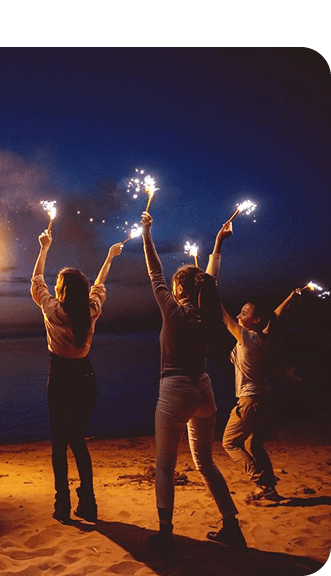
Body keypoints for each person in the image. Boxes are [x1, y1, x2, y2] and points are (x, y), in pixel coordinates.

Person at [140, 211, 244, 550]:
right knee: (205, 462)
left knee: (165, 467)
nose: (168, 286)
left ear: (179, 288)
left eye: (174, 284)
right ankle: (231, 523)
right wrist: (217, 243)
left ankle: (166, 533)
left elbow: (154, 270)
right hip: (203, 389)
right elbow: (209, 281)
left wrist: (146, 232)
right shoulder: (208, 312)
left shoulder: (173, 310)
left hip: (175, 391)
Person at [30, 226, 122, 523]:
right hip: (85, 377)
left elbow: (36, 281)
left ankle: (62, 504)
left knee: (59, 443)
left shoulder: (53, 310)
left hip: (60, 377)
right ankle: (89, 502)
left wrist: (44, 248)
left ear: (62, 290)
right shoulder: (91, 310)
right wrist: (109, 258)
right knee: (78, 440)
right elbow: (98, 286)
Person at [220, 286, 301, 501]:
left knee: (230, 442)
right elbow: (274, 316)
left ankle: (262, 482)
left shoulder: (246, 337)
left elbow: (225, 318)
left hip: (250, 402)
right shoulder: (263, 338)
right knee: (253, 444)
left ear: (255, 320)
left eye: (245, 312)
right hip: (266, 401)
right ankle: (270, 487)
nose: (239, 314)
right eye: (240, 311)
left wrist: (208, 289)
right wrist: (290, 296)